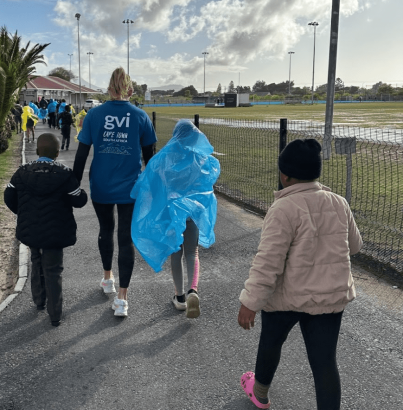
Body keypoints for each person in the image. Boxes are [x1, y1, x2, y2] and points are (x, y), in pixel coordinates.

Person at [237, 139, 363, 410]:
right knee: (324, 362)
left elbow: (268, 261)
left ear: (284, 175)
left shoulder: (283, 208)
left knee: (271, 343)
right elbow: (355, 246)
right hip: (329, 298)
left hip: (286, 297)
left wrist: (250, 302)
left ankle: (259, 393)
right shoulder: (339, 202)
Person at [73, 67, 157, 317]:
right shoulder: (141, 116)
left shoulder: (94, 115)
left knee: (106, 230)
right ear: (130, 90)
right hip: (131, 186)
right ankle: (122, 298)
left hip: (101, 184)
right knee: (125, 238)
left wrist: (73, 186)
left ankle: (107, 278)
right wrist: (151, 188)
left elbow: (81, 154)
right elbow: (149, 159)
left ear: (108, 89)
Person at [130, 119, 220, 318]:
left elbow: (151, 184)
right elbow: (209, 181)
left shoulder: (164, 158)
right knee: (192, 252)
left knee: (175, 252)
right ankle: (193, 290)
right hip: (192, 214)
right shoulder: (202, 158)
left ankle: (179, 297)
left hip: (171, 214)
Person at [4, 133, 88, 326]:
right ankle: (55, 314)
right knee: (54, 269)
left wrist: (23, 212)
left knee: (36, 260)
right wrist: (79, 190)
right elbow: (79, 201)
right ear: (57, 153)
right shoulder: (65, 174)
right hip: (56, 230)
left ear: (38, 151)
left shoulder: (22, 172)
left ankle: (39, 301)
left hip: (31, 228)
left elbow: (9, 195)